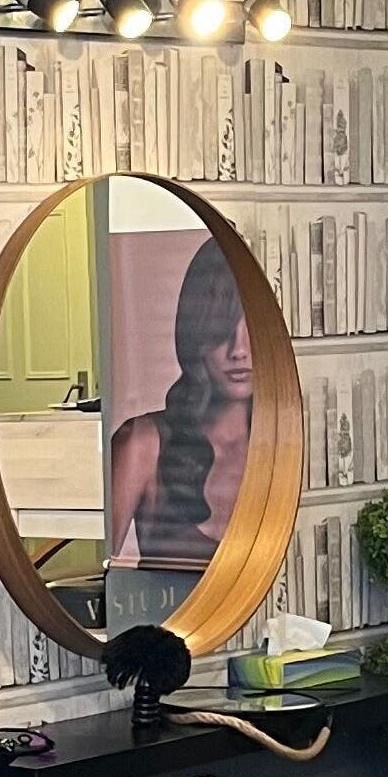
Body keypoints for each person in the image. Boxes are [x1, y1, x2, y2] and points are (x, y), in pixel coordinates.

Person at [109, 241, 255, 571]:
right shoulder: (142, 444)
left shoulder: (281, 448)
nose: (239, 350)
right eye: (221, 329)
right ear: (196, 331)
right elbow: (103, 582)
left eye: (252, 331)